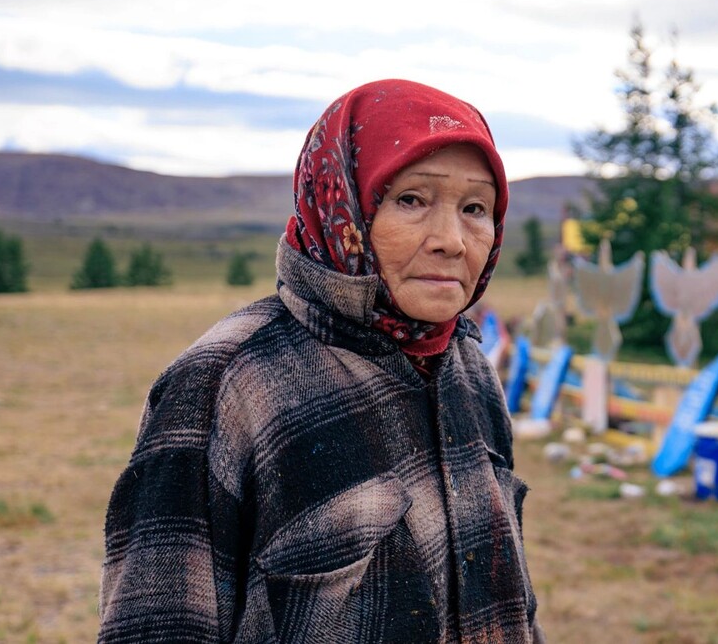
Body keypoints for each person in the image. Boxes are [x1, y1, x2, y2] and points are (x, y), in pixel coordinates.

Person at [99, 80, 544, 643]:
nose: (452, 241)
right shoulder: (225, 383)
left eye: (475, 208)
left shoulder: (470, 367)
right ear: (341, 206)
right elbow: (156, 629)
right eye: (411, 199)